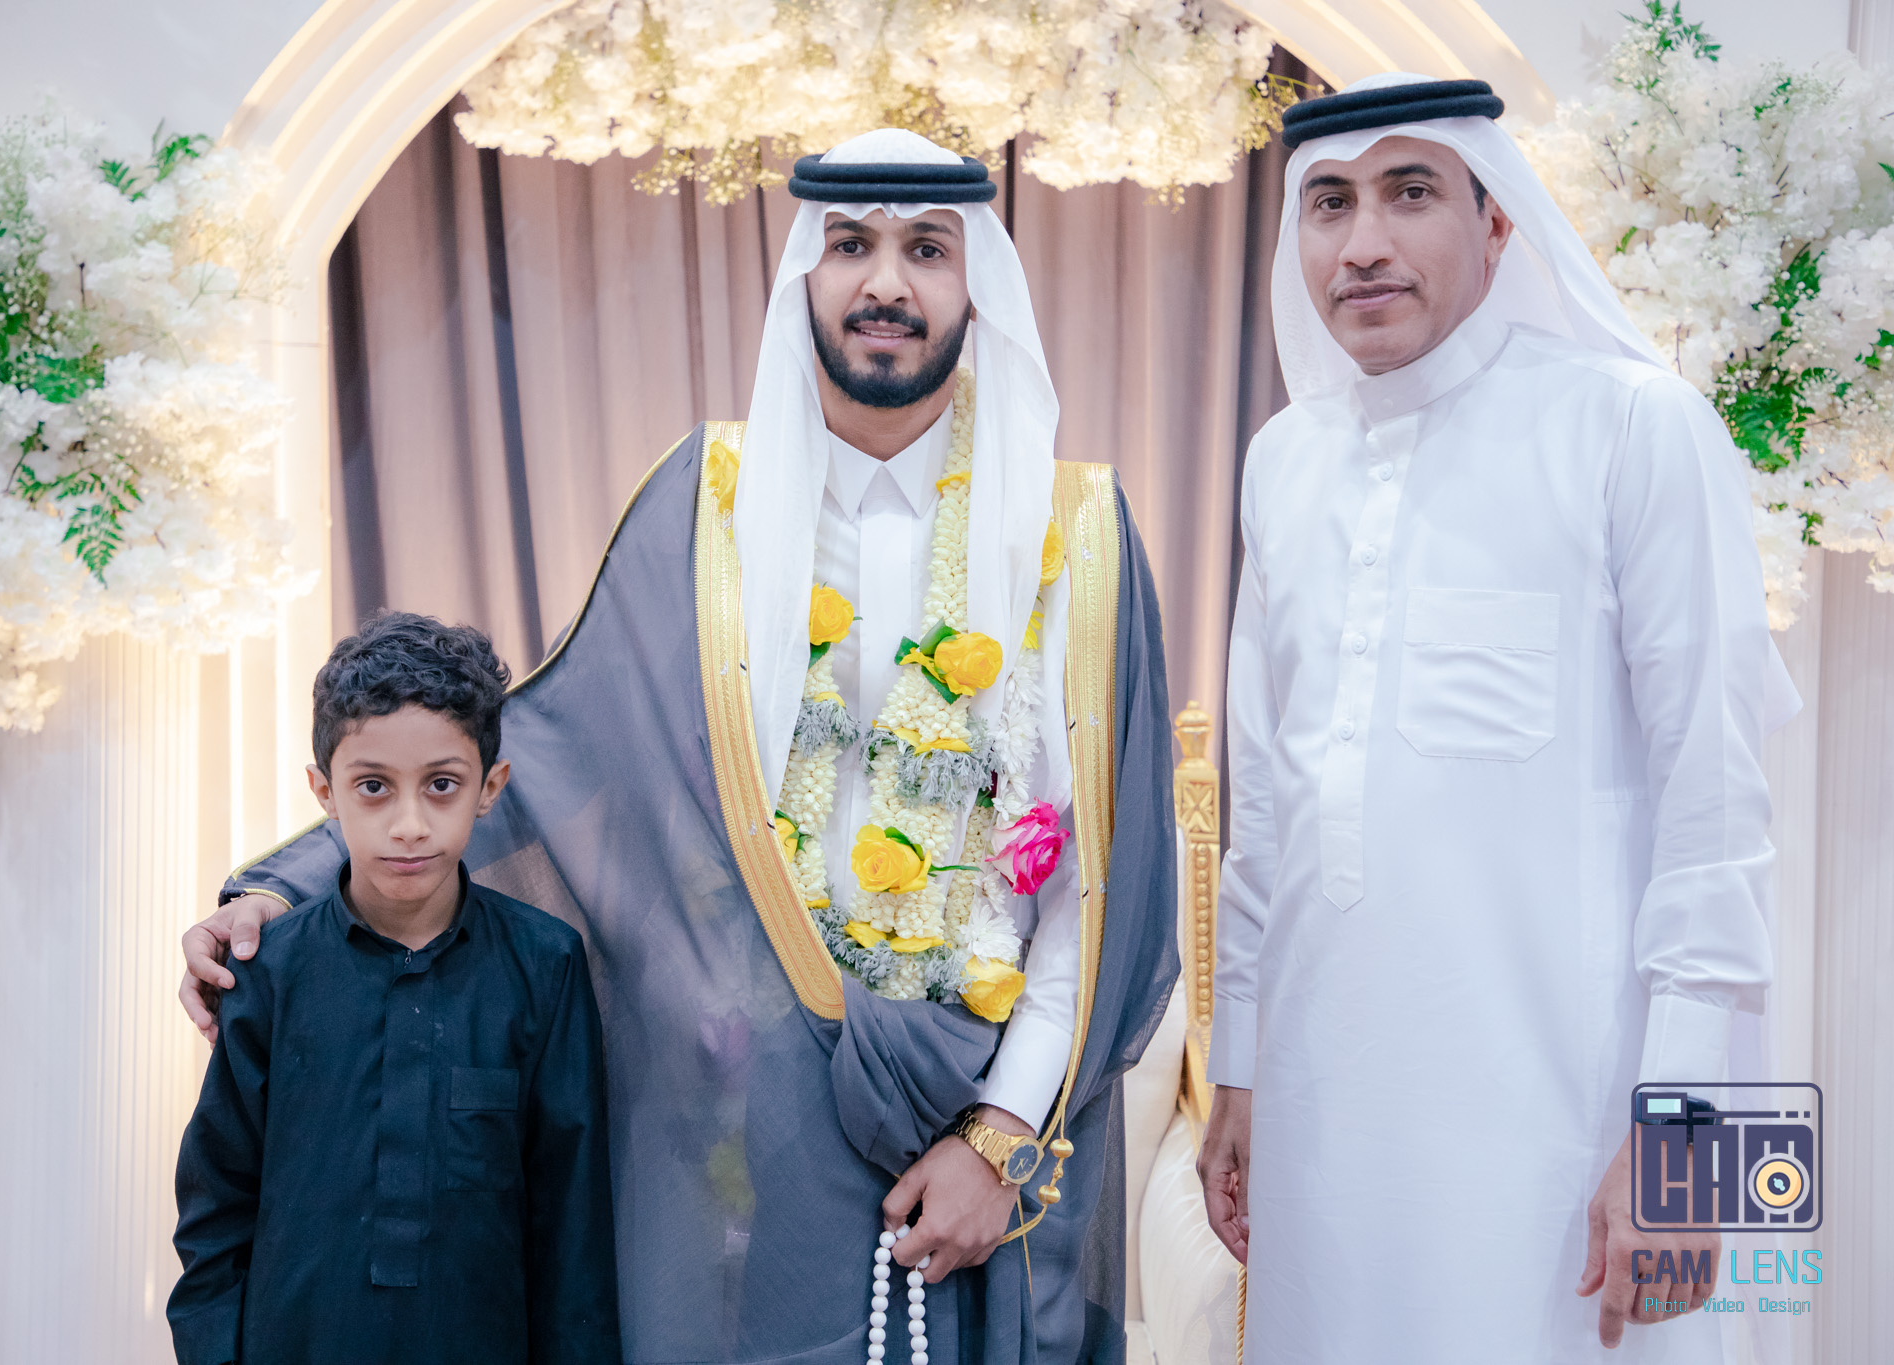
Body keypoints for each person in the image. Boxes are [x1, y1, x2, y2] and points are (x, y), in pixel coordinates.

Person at [180, 129, 1178, 1365]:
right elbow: (546, 749)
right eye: (848, 245)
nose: (885, 283)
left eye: (928, 249)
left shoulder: (1076, 532)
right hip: (757, 1133)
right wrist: (285, 887)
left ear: (978, 286)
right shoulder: (704, 508)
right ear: (801, 276)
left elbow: (1100, 887)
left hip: (991, 1122)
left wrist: (1001, 1135)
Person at [1195, 76, 1798, 1361]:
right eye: (1327, 204)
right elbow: (1270, 806)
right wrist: (1237, 1065)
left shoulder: (1630, 427)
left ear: (1496, 221)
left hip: (1562, 1132)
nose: (1361, 243)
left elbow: (1715, 820)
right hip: (1324, 1115)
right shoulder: (1281, 461)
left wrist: (1685, 1144)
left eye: (1408, 193)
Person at [166, 613, 617, 1365]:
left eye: (442, 785)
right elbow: (215, 1210)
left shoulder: (546, 964)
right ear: (324, 791)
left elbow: (573, 1229)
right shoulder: (268, 971)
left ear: (489, 787)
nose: (409, 824)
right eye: (373, 786)